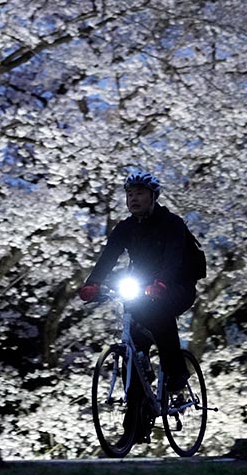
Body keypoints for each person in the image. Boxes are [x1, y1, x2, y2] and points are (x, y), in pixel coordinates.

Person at [78, 171, 202, 400]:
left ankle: (176, 374)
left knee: (158, 312)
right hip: (143, 287)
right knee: (133, 344)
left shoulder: (171, 223)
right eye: (129, 194)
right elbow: (108, 257)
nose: (133, 199)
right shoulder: (125, 228)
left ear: (153, 196)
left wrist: (163, 282)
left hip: (178, 285)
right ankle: (137, 418)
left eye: (140, 193)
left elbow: (173, 257)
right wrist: (92, 284)